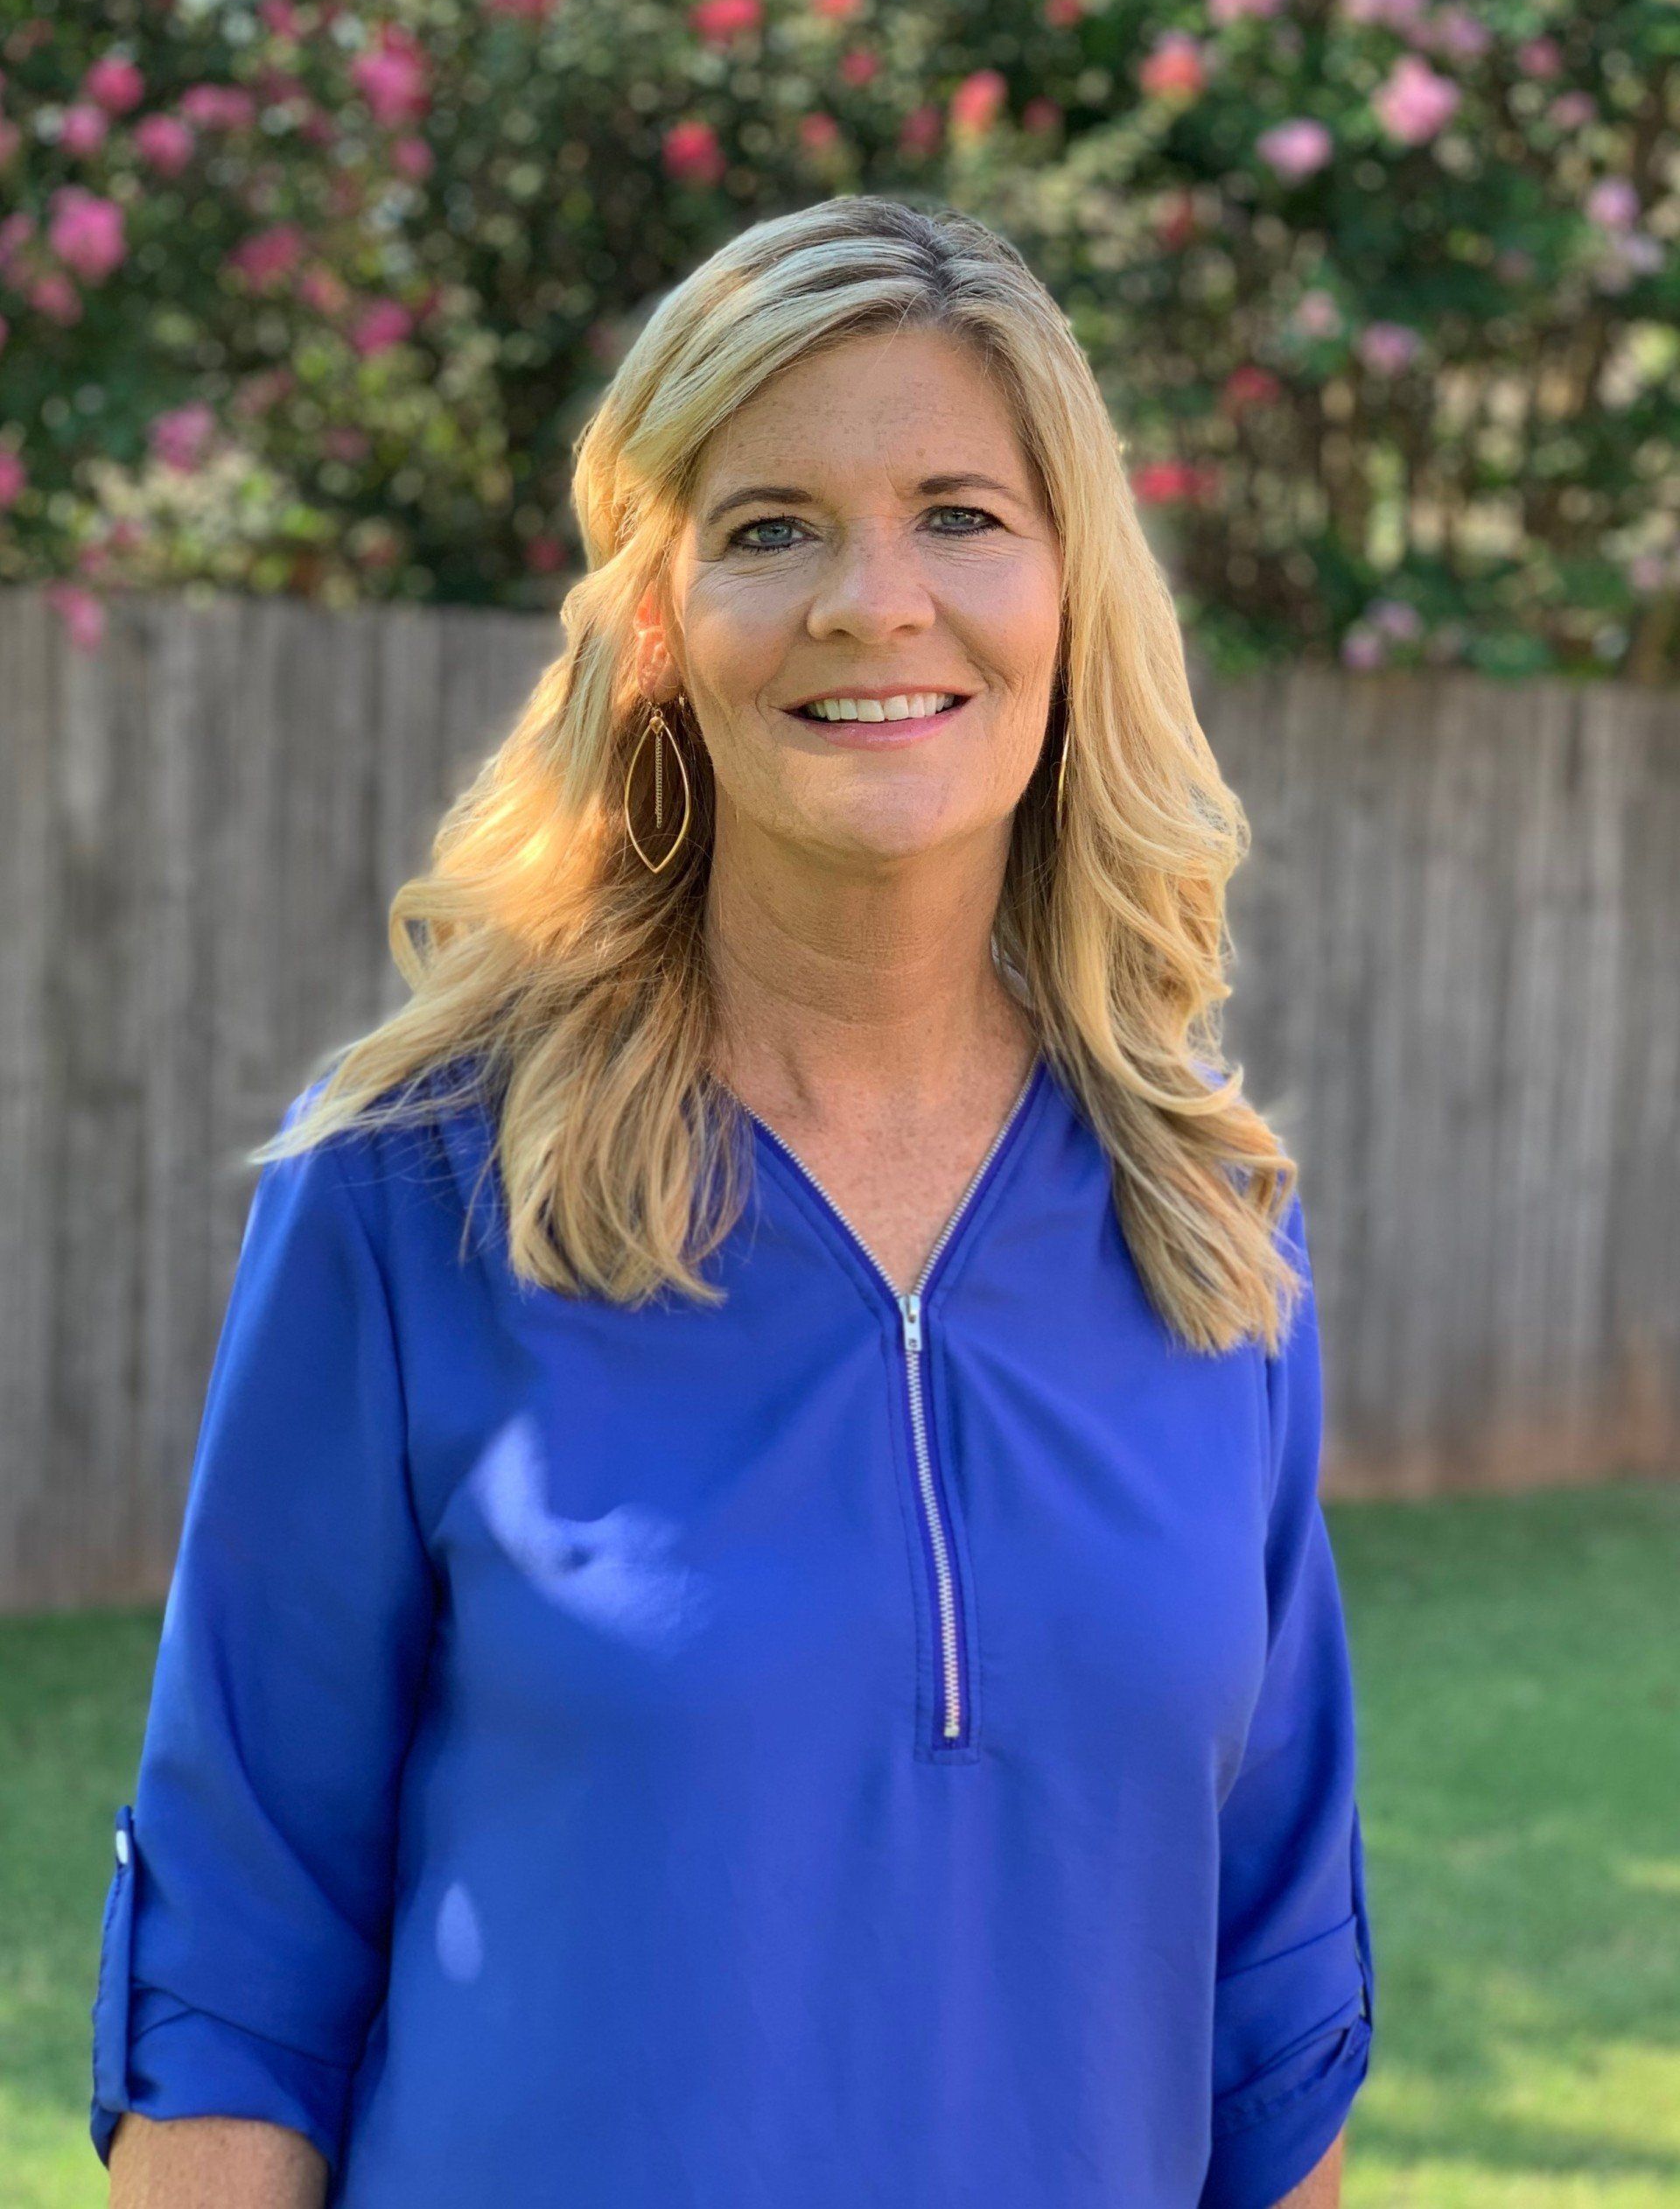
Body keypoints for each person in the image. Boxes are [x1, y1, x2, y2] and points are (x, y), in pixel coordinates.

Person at [91, 193, 1375, 2209]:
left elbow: (1276, 2017)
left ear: (1070, 594)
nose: (878, 600)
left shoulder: (1209, 1228)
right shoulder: (408, 1197)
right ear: (662, 627)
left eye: (961, 511)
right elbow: (235, 1990)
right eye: (773, 526)